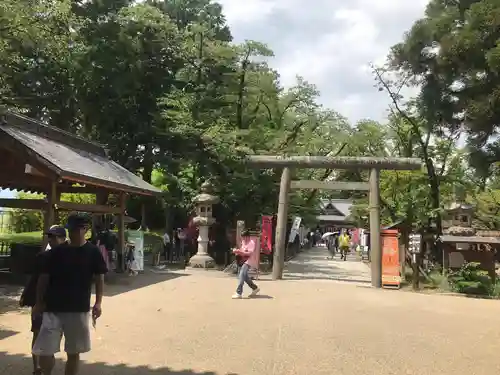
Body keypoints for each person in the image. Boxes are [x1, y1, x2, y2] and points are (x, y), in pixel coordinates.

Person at [32, 212, 108, 375]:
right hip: (53, 308)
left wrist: (98, 302)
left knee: (73, 352)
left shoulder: (93, 252)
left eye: (75, 229)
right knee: (45, 350)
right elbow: (44, 278)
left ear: (84, 230)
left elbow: (99, 278)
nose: (72, 233)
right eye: (70, 229)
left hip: (78, 309)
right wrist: (38, 302)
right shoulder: (57, 252)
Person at [20, 225, 67, 375]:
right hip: (40, 303)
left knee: (50, 340)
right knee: (37, 333)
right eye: (50, 236)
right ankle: (36, 368)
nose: (52, 239)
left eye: (55, 236)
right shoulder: (43, 257)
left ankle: (45, 369)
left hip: (57, 305)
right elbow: (35, 278)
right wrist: (26, 296)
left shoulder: (69, 258)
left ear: (63, 238)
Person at [232, 230, 260, 299]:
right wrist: (237, 251)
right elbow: (242, 249)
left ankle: (239, 292)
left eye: (245, 237)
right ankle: (255, 288)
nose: (244, 239)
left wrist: (240, 252)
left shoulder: (252, 242)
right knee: (245, 276)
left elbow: (249, 253)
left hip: (249, 260)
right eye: (243, 237)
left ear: (248, 236)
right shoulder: (244, 242)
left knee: (241, 274)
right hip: (243, 260)